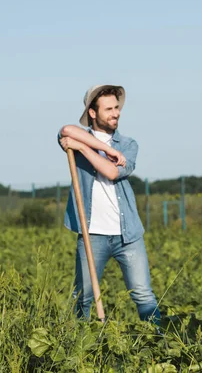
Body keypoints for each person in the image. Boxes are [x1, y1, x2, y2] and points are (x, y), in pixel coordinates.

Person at [57, 84, 160, 324]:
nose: (116, 113)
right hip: (92, 233)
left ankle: (158, 345)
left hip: (128, 235)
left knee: (144, 294)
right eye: (109, 109)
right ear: (92, 113)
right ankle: (80, 348)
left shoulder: (127, 145)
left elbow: (112, 172)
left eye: (117, 107)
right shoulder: (75, 137)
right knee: (82, 297)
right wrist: (101, 147)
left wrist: (83, 148)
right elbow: (66, 129)